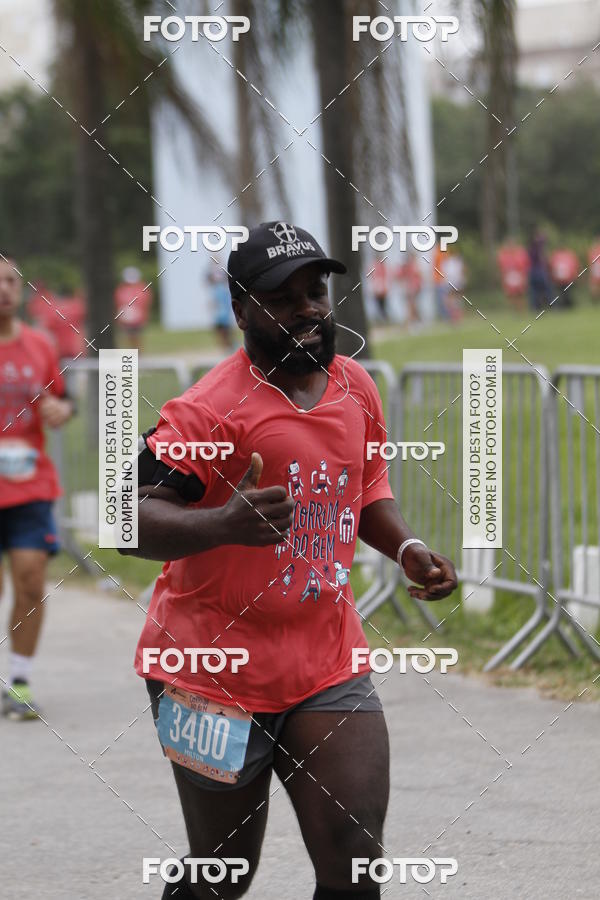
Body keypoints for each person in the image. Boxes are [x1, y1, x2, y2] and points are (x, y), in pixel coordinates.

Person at [124, 222, 457, 900]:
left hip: (325, 660)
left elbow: (364, 489)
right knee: (223, 874)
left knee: (355, 861)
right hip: (208, 672)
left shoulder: (355, 386)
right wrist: (222, 522)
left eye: (316, 292)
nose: (307, 309)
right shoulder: (208, 411)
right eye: (283, 298)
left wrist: (407, 547)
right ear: (241, 309)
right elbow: (127, 517)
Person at [0, 254, 74, 719]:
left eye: (10, 281)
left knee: (29, 578)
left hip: (30, 482)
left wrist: (60, 413)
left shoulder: (40, 345)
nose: (3, 289)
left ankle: (19, 680)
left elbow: (60, 402)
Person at [114, 266, 153, 352]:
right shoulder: (121, 289)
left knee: (136, 338)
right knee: (127, 338)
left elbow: (145, 304)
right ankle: (132, 356)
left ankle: (138, 355)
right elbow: (119, 303)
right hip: (126, 319)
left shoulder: (142, 288)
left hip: (137, 319)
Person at [207, 258, 236, 349]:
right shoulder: (212, 273)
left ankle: (229, 343)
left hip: (223, 299)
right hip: (219, 300)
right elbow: (209, 280)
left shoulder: (222, 271)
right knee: (220, 326)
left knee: (225, 325)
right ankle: (224, 344)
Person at [527, 230, 553, 311]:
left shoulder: (531, 247)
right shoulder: (538, 247)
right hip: (538, 271)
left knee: (535, 292)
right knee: (546, 290)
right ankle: (551, 306)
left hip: (533, 271)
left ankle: (535, 307)